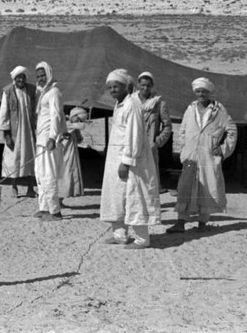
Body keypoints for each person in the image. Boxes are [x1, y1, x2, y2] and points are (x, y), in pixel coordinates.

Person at [166, 77, 237, 234]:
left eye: (203, 91)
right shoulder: (190, 109)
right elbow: (183, 130)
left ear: (208, 92)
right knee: (185, 187)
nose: (200, 94)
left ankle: (202, 224)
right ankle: (180, 222)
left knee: (207, 188)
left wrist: (223, 149)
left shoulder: (219, 110)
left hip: (208, 156)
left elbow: (231, 130)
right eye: (198, 91)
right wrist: (185, 148)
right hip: (190, 156)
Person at [100, 69, 161, 249]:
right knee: (116, 197)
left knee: (134, 197)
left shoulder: (132, 104)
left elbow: (134, 135)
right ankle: (120, 235)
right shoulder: (119, 104)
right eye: (110, 87)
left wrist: (126, 161)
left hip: (130, 161)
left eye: (116, 86)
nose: (112, 90)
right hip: (115, 159)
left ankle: (142, 239)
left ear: (127, 86)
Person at [0, 65, 37, 198]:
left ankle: (31, 188)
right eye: (19, 77)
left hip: (29, 132)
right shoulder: (8, 91)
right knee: (13, 159)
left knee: (31, 158)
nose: (21, 80)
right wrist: (7, 135)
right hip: (15, 132)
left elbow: (36, 108)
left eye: (23, 77)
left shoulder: (31, 89)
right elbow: (4, 113)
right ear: (14, 78)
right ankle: (14, 186)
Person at [33, 61, 66, 221]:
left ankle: (55, 211)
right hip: (41, 140)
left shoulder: (54, 92)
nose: (40, 79)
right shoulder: (43, 93)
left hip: (49, 140)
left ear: (49, 75)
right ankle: (44, 208)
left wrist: (53, 137)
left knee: (48, 175)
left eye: (42, 76)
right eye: (38, 76)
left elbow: (57, 116)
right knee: (40, 175)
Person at [134, 71, 173, 183]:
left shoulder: (159, 103)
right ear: (138, 85)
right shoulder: (131, 101)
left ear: (152, 86)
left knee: (150, 178)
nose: (145, 88)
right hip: (133, 142)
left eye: (148, 85)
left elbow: (167, 126)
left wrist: (158, 141)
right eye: (143, 85)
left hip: (149, 145)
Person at [59, 106, 87, 204]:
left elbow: (79, 139)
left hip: (71, 154)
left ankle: (60, 200)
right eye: (78, 119)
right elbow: (81, 126)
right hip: (63, 155)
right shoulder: (65, 124)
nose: (79, 121)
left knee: (69, 175)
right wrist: (77, 124)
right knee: (63, 175)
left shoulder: (73, 126)